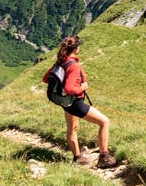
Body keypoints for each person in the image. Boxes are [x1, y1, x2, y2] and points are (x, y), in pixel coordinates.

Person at [43, 34, 119, 168]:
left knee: (72, 129)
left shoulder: (61, 61)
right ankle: (104, 156)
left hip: (66, 102)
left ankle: (77, 157)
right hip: (75, 102)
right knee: (104, 122)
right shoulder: (74, 66)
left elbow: (45, 78)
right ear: (76, 48)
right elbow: (69, 88)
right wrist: (82, 87)